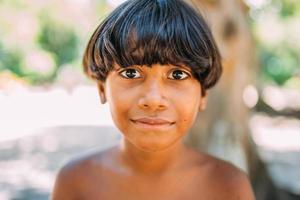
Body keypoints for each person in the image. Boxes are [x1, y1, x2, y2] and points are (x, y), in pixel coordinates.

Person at [51, 0, 255, 199]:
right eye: (131, 73)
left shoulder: (228, 186)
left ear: (202, 95)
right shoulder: (76, 181)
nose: (153, 99)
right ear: (102, 88)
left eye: (177, 75)